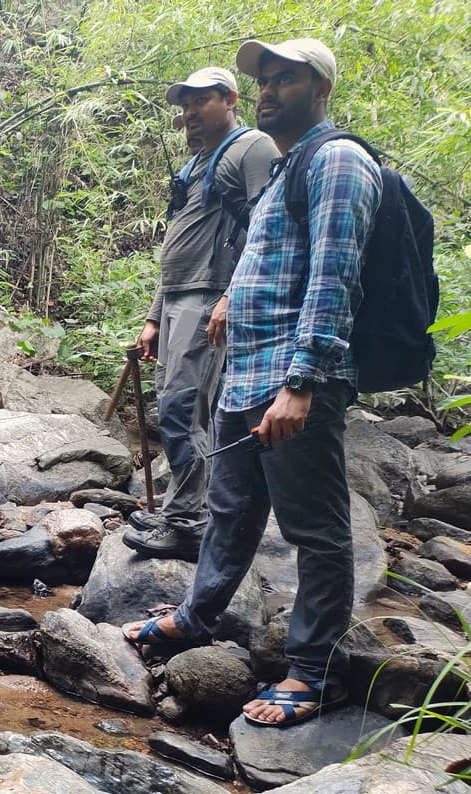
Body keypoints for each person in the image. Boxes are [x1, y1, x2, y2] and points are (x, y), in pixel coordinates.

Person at [124, 38, 382, 728]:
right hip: (247, 374)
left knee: (315, 531)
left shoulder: (337, 161)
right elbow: (260, 260)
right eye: (264, 80)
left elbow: (334, 278)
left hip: (295, 380)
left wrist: (301, 383)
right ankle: (197, 617)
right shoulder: (288, 166)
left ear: (320, 88)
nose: (268, 91)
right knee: (233, 515)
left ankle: (313, 672)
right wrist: (230, 305)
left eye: (285, 80)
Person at [127, 68, 279, 561]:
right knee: (176, 407)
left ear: (230, 99)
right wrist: (154, 315)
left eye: (200, 101)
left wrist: (234, 296)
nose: (189, 112)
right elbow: (180, 246)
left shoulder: (251, 147)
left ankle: (187, 523)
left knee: (182, 409)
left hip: (211, 296)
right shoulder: (196, 164)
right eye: (185, 104)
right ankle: (187, 510)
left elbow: (268, 226)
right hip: (178, 299)